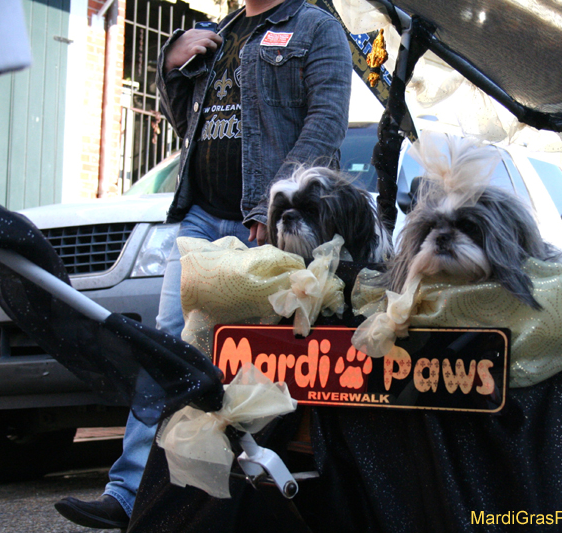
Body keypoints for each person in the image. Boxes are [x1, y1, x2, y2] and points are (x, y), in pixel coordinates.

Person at [55, 0, 352, 528]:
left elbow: (326, 122)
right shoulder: (220, 31)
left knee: (250, 362)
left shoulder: (316, 27)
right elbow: (186, 125)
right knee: (169, 348)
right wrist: (170, 67)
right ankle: (128, 495)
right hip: (198, 219)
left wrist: (274, 205)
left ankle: (233, 503)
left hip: (260, 223)